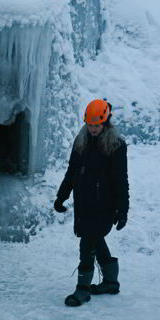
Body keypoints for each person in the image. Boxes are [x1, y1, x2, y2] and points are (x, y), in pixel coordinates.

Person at [54, 99, 129, 307]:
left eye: (97, 125)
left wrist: (122, 210)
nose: (93, 129)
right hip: (83, 204)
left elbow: (121, 180)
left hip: (104, 206)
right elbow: (72, 172)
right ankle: (111, 282)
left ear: (105, 121)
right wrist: (62, 196)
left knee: (87, 244)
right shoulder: (81, 141)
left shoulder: (116, 145)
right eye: (90, 124)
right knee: (95, 240)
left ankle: (82, 290)